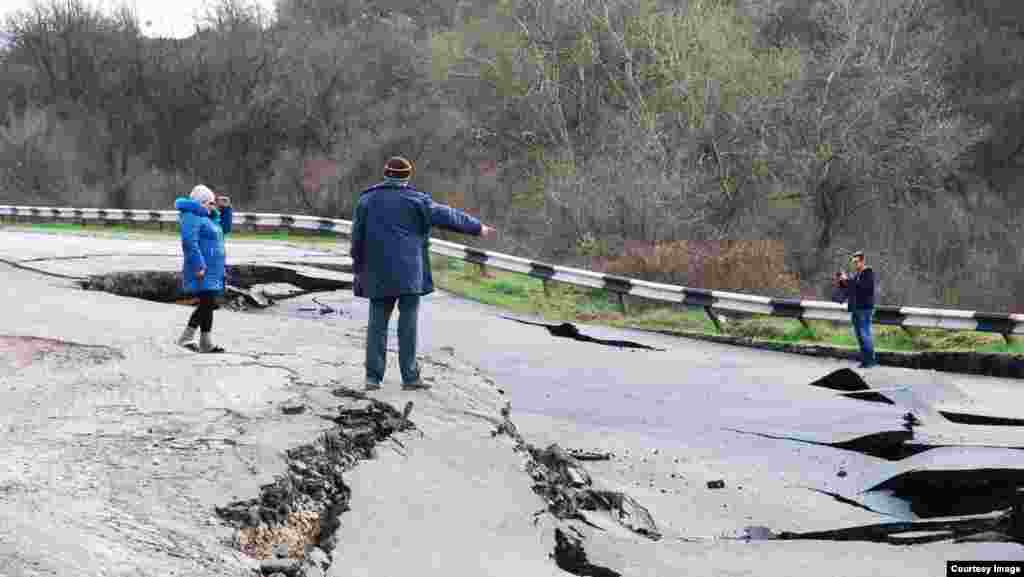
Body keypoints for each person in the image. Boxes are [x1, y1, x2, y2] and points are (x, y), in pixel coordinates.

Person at [350, 156, 496, 391]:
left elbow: (357, 237)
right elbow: (448, 216)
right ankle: (410, 377)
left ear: (385, 175)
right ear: (408, 177)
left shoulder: (367, 200)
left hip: (377, 272)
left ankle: (372, 378)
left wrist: (358, 265)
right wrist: (478, 227)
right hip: (409, 274)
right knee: (408, 325)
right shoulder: (417, 201)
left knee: (377, 324)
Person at [175, 185, 233, 353]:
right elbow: (189, 242)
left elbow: (224, 230)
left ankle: (203, 342)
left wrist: (226, 209)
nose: (212, 205)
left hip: (213, 270)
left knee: (208, 304)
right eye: (209, 202)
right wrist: (199, 265)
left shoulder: (209, 217)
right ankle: (188, 339)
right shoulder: (192, 216)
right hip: (203, 269)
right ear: (200, 203)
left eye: (213, 202)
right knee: (207, 304)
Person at [840, 250, 876, 368]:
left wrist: (849, 280)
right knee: (860, 335)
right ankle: (865, 360)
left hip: (864, 308)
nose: (855, 265)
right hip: (856, 308)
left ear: (862, 261)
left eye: (857, 262)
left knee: (865, 334)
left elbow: (864, 288)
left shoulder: (867, 273)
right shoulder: (857, 275)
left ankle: (870, 361)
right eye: (853, 262)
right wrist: (843, 281)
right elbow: (852, 289)